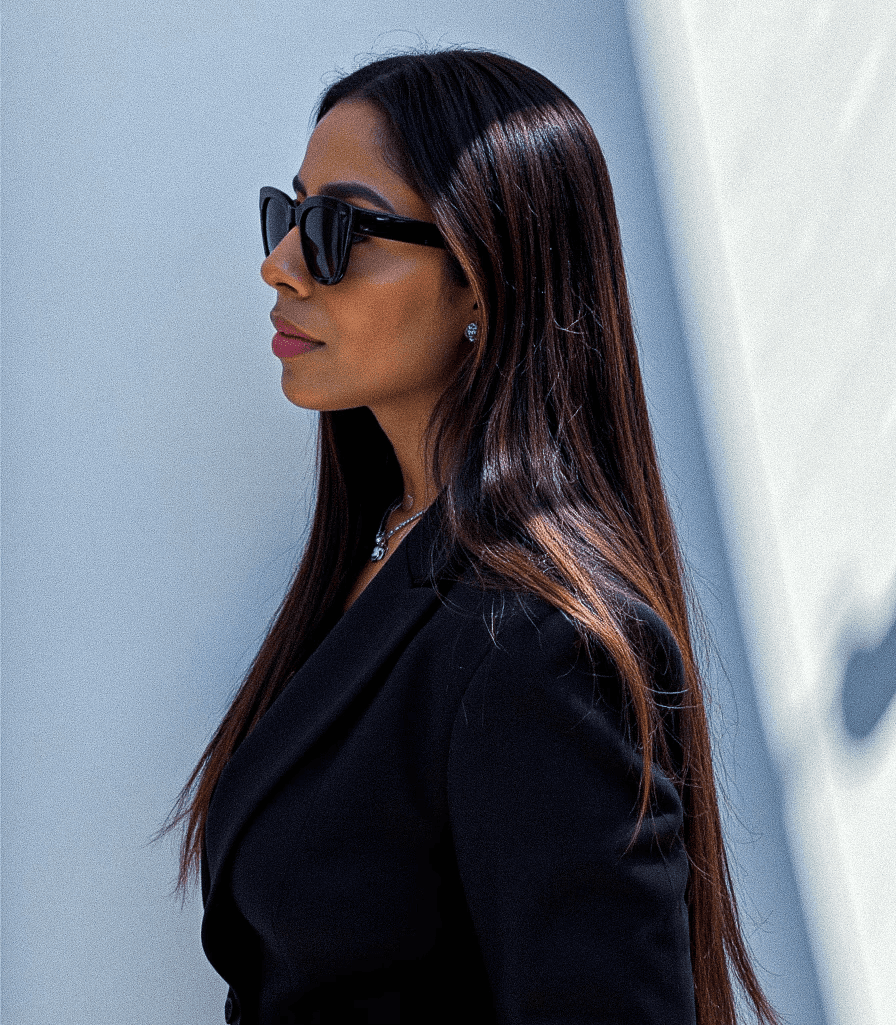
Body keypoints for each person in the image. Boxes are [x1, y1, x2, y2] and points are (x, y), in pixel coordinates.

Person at [167, 49, 779, 1025]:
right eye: (288, 213)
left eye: (337, 230)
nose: (279, 262)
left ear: (483, 282)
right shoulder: (382, 552)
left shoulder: (543, 644)